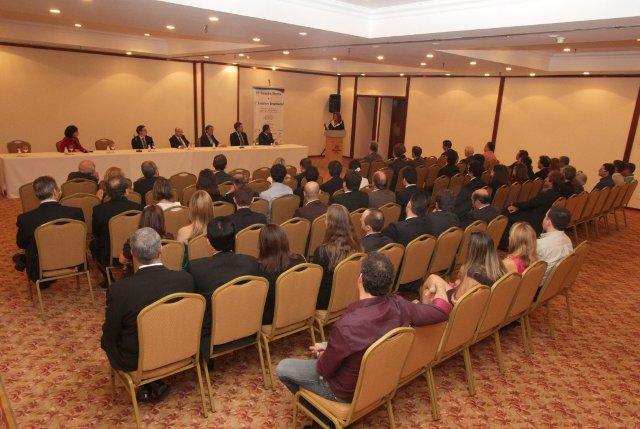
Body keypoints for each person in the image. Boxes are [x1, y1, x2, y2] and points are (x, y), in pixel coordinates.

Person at [276, 252, 451, 403]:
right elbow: (442, 311)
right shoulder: (400, 305)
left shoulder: (347, 325)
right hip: (379, 381)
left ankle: (316, 409)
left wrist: (324, 354)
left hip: (344, 391)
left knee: (283, 368)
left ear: (360, 279)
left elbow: (324, 370)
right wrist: (439, 284)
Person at [101, 228, 194, 402]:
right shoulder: (185, 279)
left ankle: (149, 383)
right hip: (181, 350)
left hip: (138, 361)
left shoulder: (119, 290)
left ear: (133, 254)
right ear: (161, 249)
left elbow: (110, 336)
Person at [188, 217, 259, 358]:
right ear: (235, 238)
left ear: (208, 242)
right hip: (248, 330)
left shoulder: (196, 268)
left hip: (212, 338)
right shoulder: (251, 262)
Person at [16, 176, 85, 283]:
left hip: (41, 267)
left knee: (26, 251)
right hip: (74, 261)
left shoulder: (26, 219)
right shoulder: (76, 212)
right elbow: (81, 238)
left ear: (36, 195)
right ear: (55, 191)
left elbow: (21, 244)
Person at [424, 231, 505, 304]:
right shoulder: (498, 269)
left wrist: (442, 290)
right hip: (478, 306)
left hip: (453, 307)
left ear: (472, 251)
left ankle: (425, 312)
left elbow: (456, 300)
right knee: (432, 278)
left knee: (427, 293)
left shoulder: (473, 274)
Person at [91, 175, 141, 287]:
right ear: (127, 191)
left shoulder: (99, 210)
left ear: (108, 193)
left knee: (93, 244)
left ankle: (108, 278)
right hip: (134, 251)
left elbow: (96, 233)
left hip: (109, 254)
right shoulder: (138, 208)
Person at [312, 205, 361, 309]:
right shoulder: (358, 247)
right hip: (350, 297)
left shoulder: (322, 251)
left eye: (326, 219)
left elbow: (315, 283)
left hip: (325, 304)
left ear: (330, 224)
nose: (325, 221)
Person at [257, 224, 306, 324]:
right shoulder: (301, 260)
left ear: (263, 245)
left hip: (272, 318)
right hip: (299, 311)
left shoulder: (260, 269)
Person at [119, 205, 174, 277]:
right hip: (165, 276)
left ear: (142, 220)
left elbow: (121, 260)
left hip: (138, 278)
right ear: (162, 220)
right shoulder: (170, 239)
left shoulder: (134, 241)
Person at [506, 171, 563, 236]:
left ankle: (511, 237)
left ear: (551, 181)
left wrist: (514, 204)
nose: (545, 179)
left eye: (547, 177)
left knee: (507, 211)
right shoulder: (558, 194)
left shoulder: (546, 195)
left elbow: (529, 204)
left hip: (534, 219)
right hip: (540, 218)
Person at [537, 206, 573, 282]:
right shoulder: (568, 240)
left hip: (538, 284)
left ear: (548, 222)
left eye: (545, 217)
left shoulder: (540, 244)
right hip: (556, 281)